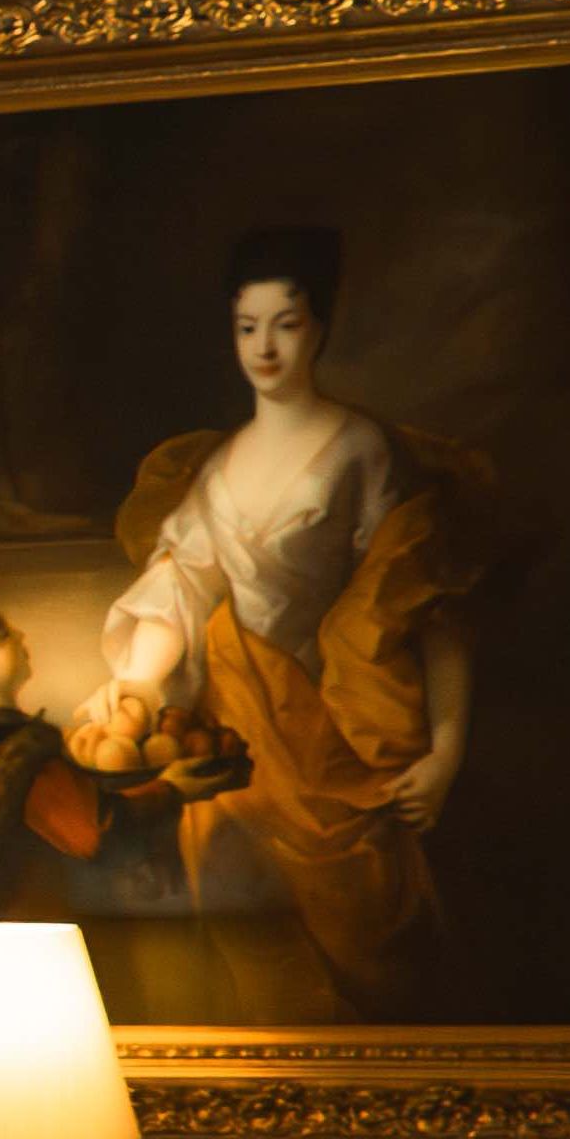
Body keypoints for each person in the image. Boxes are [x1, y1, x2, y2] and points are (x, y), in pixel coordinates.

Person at [81, 222, 487, 1023]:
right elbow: (179, 590)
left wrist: (445, 753)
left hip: (341, 744)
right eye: (246, 326)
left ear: (321, 328)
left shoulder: (361, 452)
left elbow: (423, 604)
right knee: (253, 962)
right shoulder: (216, 466)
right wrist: (130, 687)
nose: (263, 347)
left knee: (375, 957)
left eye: (285, 324)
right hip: (238, 750)